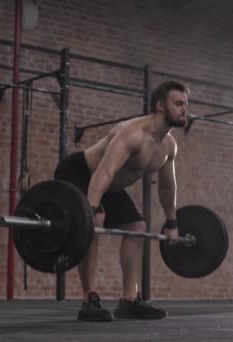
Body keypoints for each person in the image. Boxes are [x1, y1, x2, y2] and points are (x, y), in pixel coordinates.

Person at [54, 80, 189, 322]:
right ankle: (89, 300)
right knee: (95, 221)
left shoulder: (169, 146)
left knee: (137, 228)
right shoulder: (132, 133)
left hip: (110, 186)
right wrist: (90, 211)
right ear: (160, 105)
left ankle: (129, 300)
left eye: (186, 104)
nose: (184, 109)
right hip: (79, 172)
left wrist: (172, 222)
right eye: (178, 103)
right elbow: (104, 171)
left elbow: (168, 186)